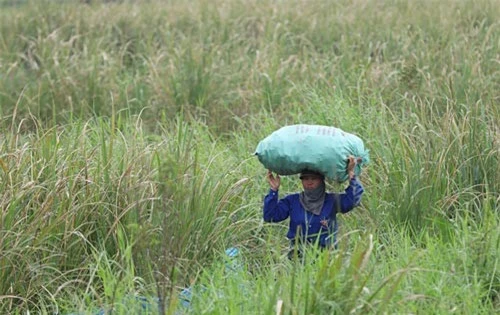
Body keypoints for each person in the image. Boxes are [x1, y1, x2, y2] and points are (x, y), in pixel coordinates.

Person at [263, 156, 364, 259]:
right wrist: (274, 190)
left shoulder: (332, 200)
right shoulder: (292, 201)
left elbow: (354, 199)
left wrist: (351, 173)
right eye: (305, 179)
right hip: (297, 257)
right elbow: (270, 216)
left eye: (314, 178)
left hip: (326, 256)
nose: (309, 182)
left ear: (321, 180)